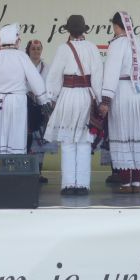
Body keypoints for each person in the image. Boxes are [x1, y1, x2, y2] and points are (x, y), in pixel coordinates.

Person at [99, 11, 140, 193]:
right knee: (138, 136)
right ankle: (136, 182)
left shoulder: (116, 44)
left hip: (122, 92)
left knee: (124, 136)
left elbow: (111, 72)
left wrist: (105, 100)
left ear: (116, 26)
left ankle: (126, 183)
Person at [45, 15, 104, 195]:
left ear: (68, 30)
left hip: (67, 96)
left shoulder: (63, 48)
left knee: (68, 142)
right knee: (84, 142)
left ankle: (68, 184)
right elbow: (98, 77)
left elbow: (54, 76)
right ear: (84, 30)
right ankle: (83, 185)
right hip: (86, 95)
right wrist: (100, 100)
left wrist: (51, 97)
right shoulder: (92, 48)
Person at [0, 23, 48, 155]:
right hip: (16, 102)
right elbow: (36, 81)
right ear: (16, 40)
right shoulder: (22, 57)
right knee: (14, 137)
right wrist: (44, 100)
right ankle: (13, 164)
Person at [25, 39, 57, 183]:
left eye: (38, 49)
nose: (36, 51)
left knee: (40, 143)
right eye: (33, 49)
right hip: (26, 107)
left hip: (42, 108)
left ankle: (38, 172)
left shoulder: (47, 68)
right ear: (28, 50)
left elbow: (51, 86)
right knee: (26, 140)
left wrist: (48, 101)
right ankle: (25, 172)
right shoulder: (23, 65)